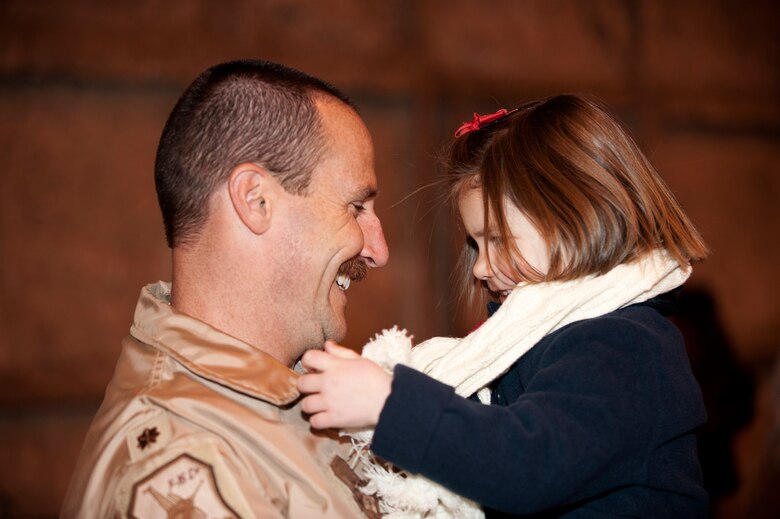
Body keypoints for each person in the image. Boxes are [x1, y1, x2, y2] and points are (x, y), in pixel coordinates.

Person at [298, 94, 710, 518]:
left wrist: (392, 406)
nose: (480, 268)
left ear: (578, 214)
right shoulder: (542, 342)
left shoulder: (625, 347)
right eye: (475, 244)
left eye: (497, 239)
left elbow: (530, 464)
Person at [61, 60, 389, 518]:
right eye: (356, 207)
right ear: (255, 200)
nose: (378, 249)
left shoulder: (292, 391)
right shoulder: (182, 466)